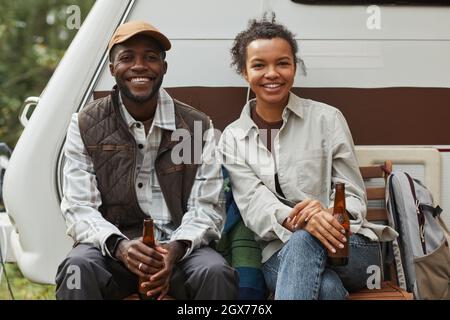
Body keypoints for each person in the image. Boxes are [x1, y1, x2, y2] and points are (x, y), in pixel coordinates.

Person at [55, 21, 238, 300]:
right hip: (112, 251)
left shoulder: (195, 126)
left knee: (215, 272)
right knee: (76, 268)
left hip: (178, 251)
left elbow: (207, 207)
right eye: (127, 58)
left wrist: (174, 250)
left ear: (163, 67)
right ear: (112, 68)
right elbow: (79, 207)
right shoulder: (84, 125)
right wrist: (120, 247)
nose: (139, 66)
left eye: (151, 57)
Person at [218, 15, 397, 300]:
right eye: (259, 65)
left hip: (350, 247)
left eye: (282, 63)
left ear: (294, 67)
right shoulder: (232, 137)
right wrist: (300, 220)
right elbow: (253, 204)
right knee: (324, 286)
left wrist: (326, 216)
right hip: (279, 254)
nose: (272, 73)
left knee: (307, 240)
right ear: (244, 72)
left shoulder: (328, 119)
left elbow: (351, 193)